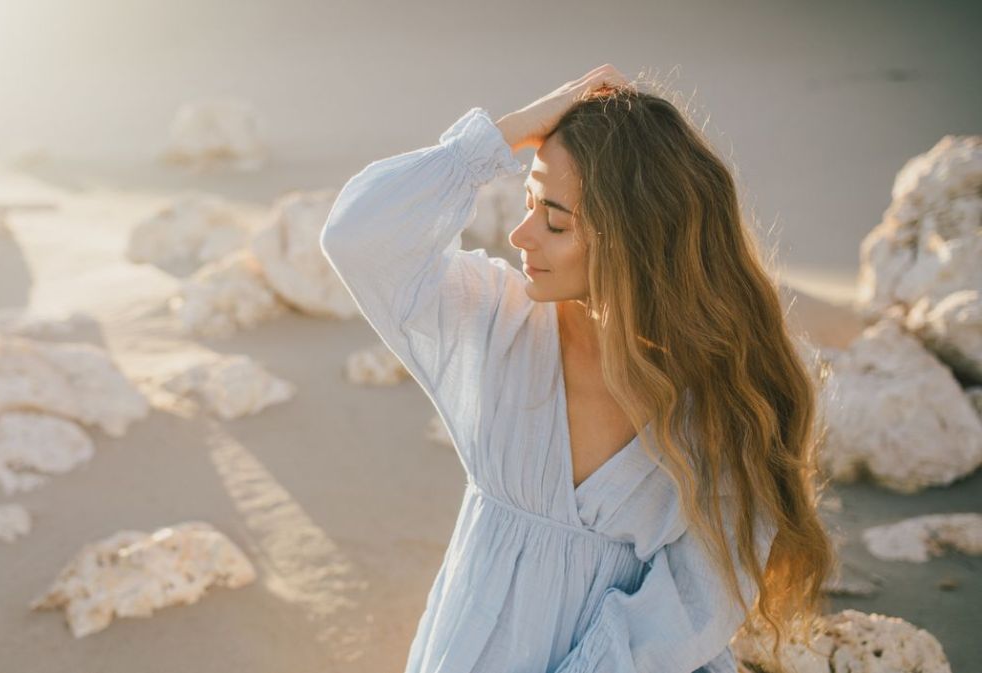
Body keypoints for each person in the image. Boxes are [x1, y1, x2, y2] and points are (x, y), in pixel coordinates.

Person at [319, 64, 833, 673]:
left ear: (636, 242)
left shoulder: (728, 400)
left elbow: (695, 604)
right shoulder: (495, 322)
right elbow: (358, 236)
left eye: (556, 221)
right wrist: (499, 137)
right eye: (529, 201)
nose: (520, 234)